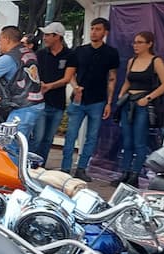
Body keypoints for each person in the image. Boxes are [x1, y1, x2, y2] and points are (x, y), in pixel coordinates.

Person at [59, 17, 119, 181]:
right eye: (92, 28)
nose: (94, 32)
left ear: (105, 32)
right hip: (79, 99)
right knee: (71, 135)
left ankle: (81, 168)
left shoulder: (111, 53)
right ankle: (65, 168)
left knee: (92, 137)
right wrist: (75, 86)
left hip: (98, 100)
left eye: (98, 29)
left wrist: (108, 102)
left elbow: (112, 78)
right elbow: (70, 74)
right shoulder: (79, 50)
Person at [112, 31, 164, 187]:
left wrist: (148, 98)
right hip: (128, 102)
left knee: (139, 141)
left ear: (149, 44)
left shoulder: (156, 61)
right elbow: (127, 81)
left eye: (139, 42)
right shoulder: (132, 61)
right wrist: (121, 94)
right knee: (127, 141)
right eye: (135, 42)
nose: (136, 45)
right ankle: (124, 173)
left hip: (143, 104)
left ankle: (135, 175)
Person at [32, 22, 74, 164]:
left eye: (48, 35)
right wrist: (40, 85)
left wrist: (49, 86)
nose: (44, 38)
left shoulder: (70, 55)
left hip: (58, 103)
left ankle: (40, 165)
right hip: (40, 102)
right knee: (38, 137)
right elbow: (33, 73)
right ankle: (29, 164)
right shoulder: (40, 54)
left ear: (57, 37)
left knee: (48, 139)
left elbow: (67, 78)